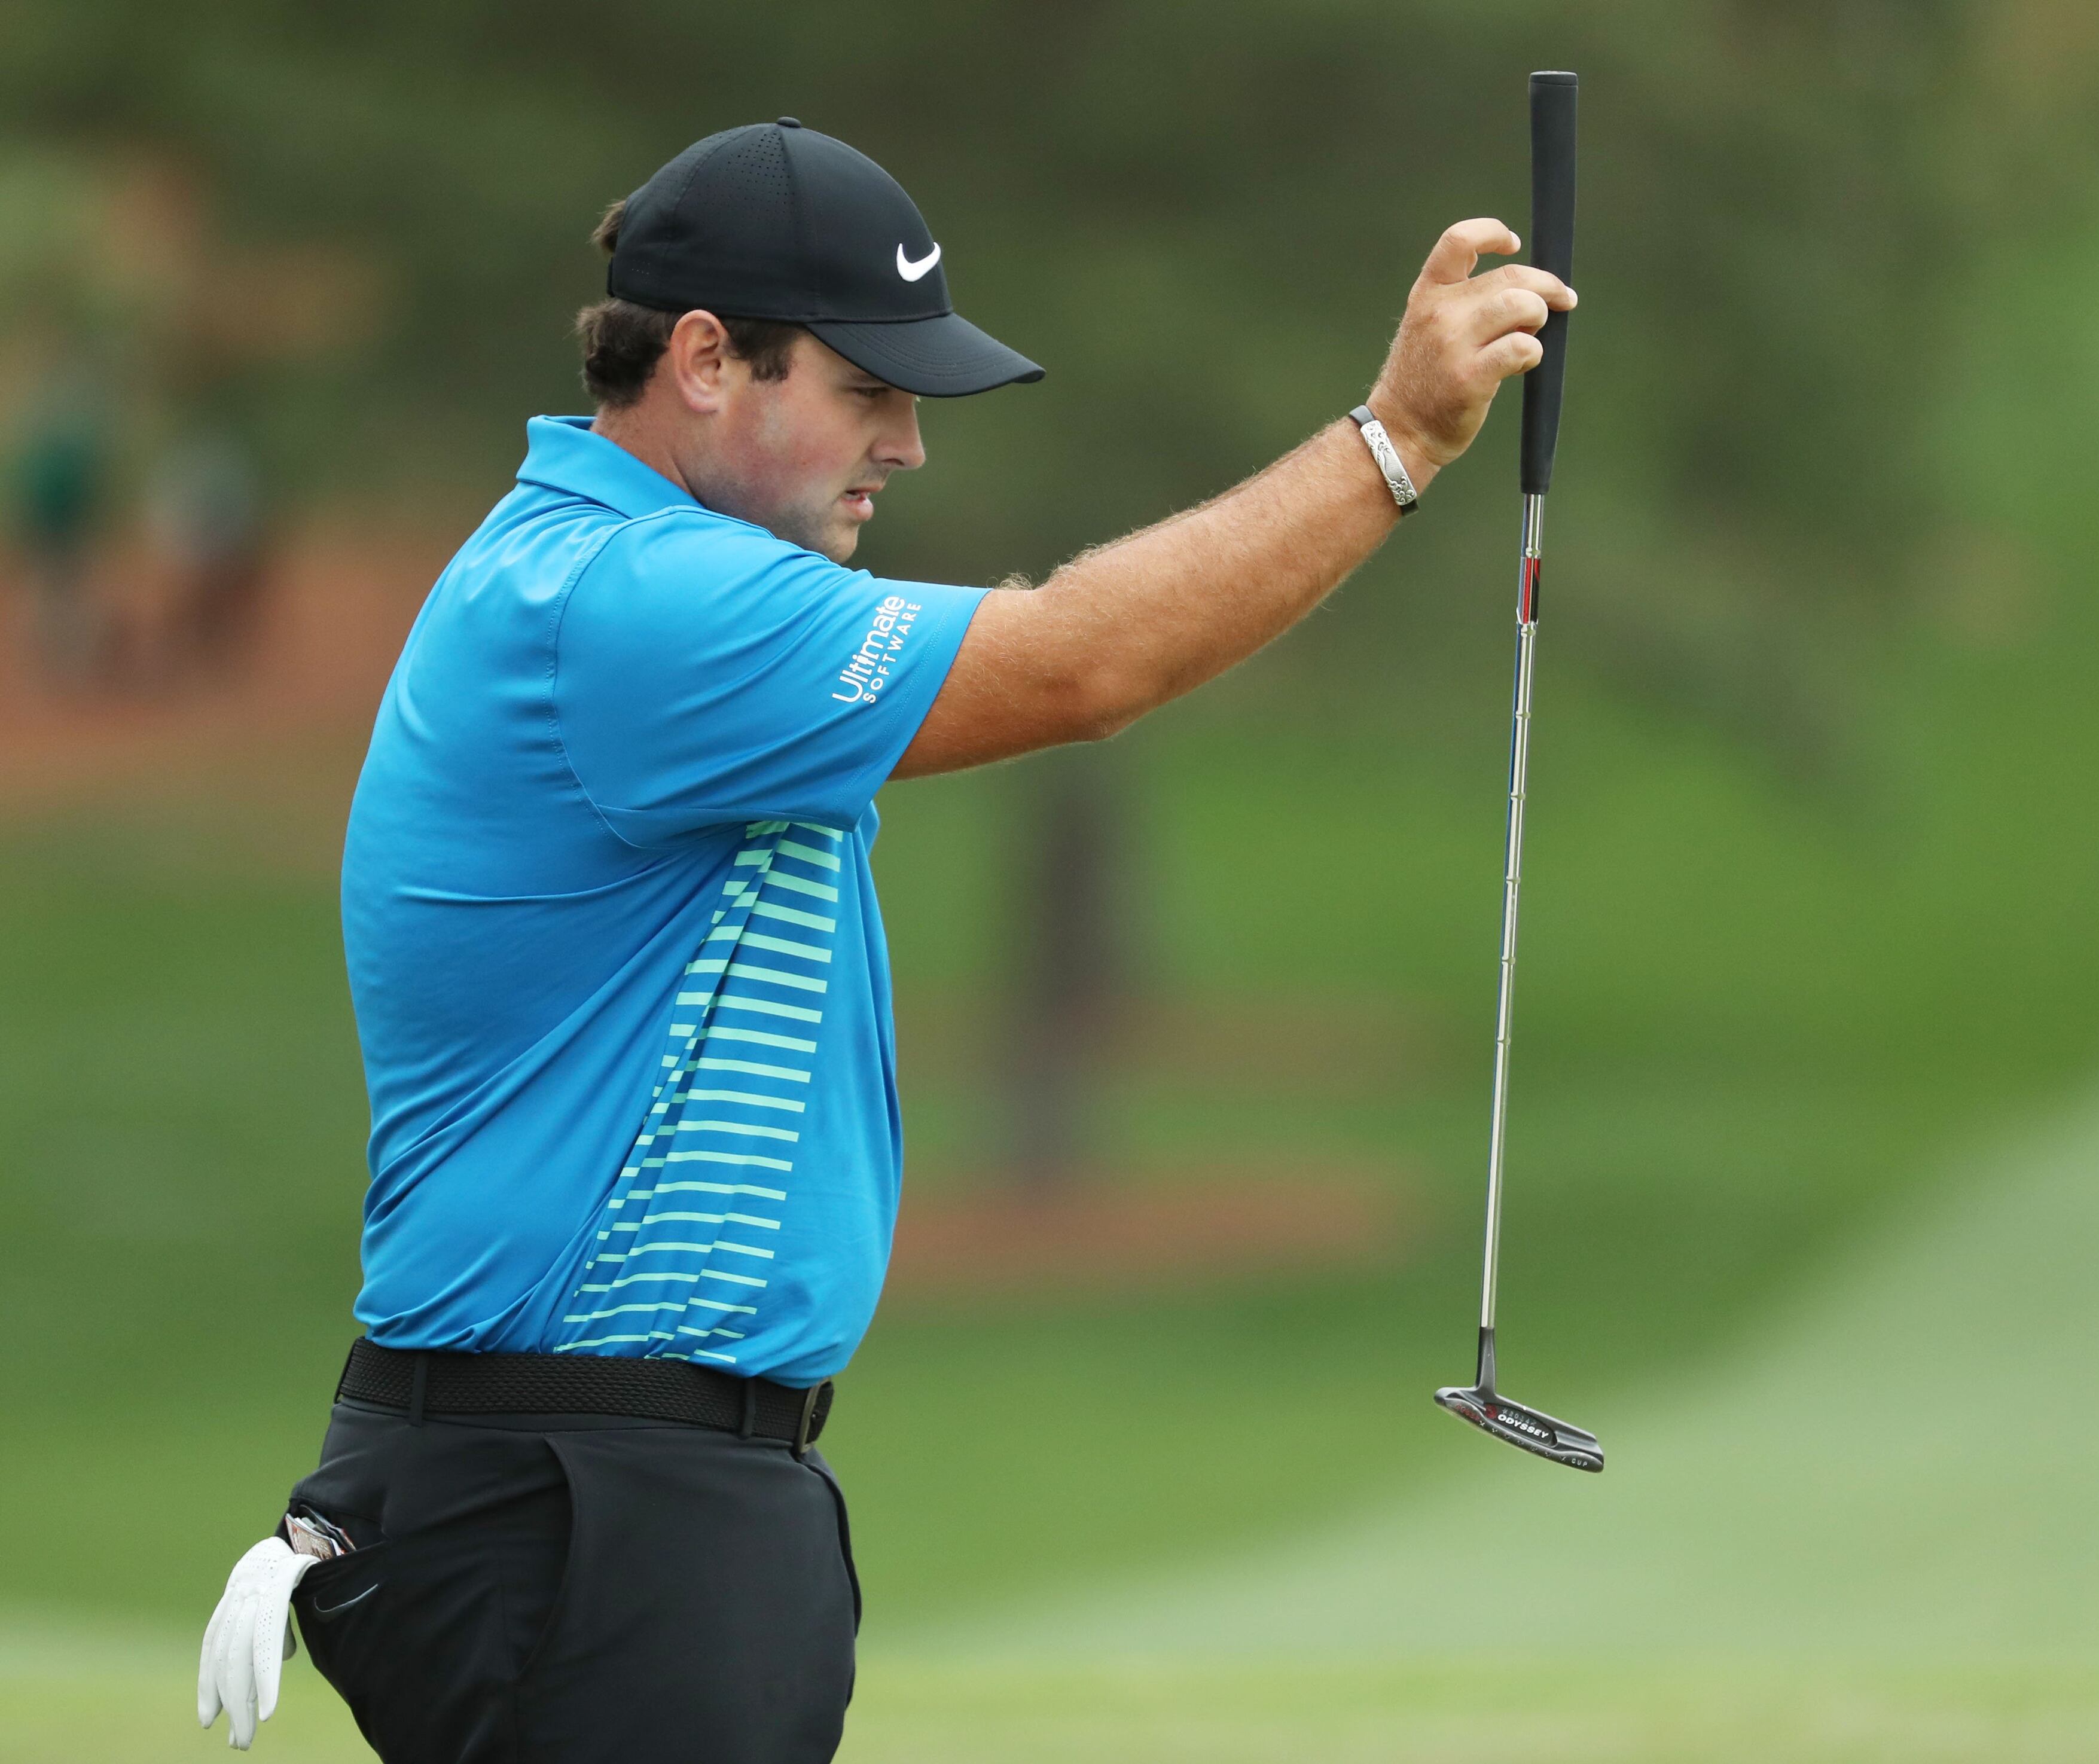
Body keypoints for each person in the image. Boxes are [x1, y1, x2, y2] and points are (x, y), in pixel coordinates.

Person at [195, 118, 1572, 1760]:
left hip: (625, 1489)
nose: (909, 446)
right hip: (579, 1497)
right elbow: (1078, 666)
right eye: (868, 390)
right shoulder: (632, 605)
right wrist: (1399, 441)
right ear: (705, 360)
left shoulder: (630, 586)